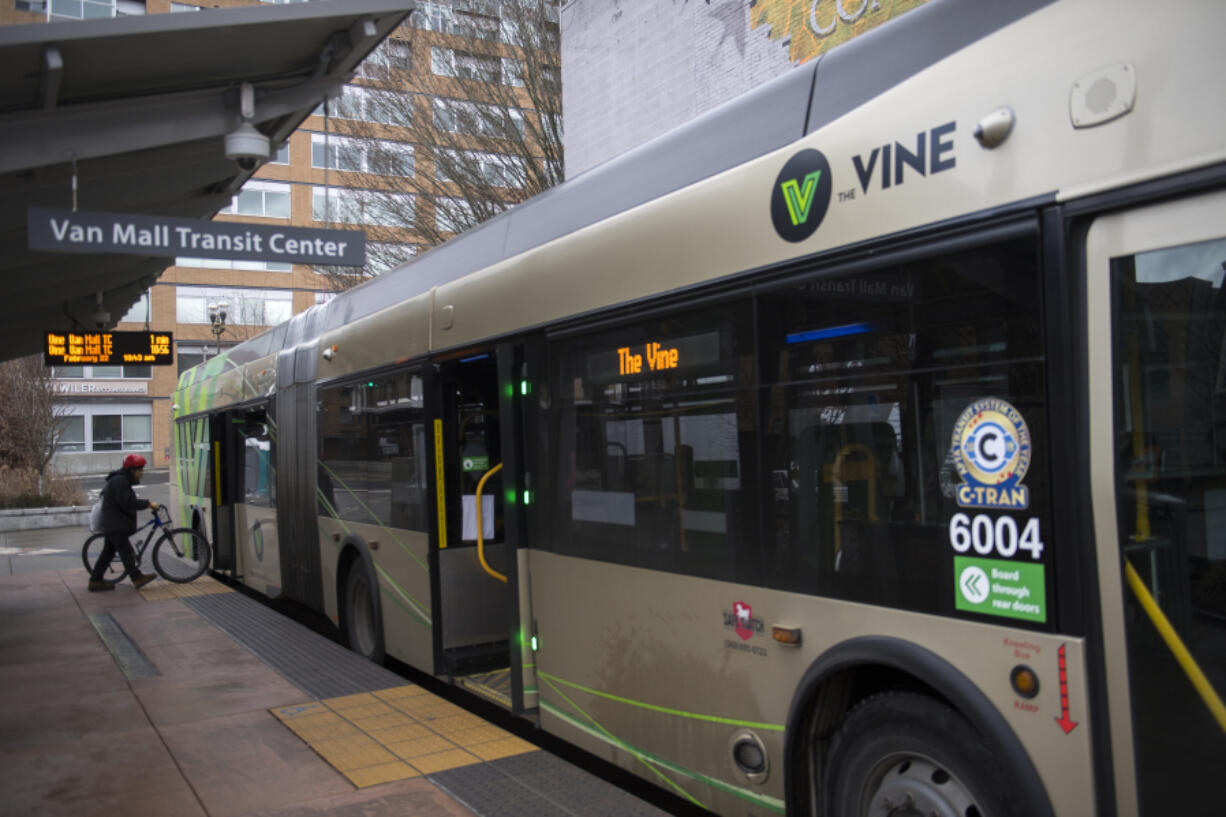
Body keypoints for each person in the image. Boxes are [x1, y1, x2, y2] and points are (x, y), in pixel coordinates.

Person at [88, 454, 160, 592]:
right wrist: (148, 503)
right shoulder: (121, 481)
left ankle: (95, 581)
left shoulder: (120, 480)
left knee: (108, 553)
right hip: (116, 524)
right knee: (125, 552)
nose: (142, 473)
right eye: (140, 470)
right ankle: (137, 577)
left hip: (113, 522)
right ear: (133, 470)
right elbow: (127, 502)